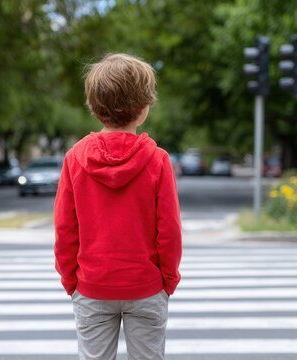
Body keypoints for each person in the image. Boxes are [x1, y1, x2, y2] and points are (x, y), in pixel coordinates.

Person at [54, 53, 182, 360]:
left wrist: (71, 280)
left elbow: (65, 228)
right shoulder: (158, 160)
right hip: (145, 286)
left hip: (93, 285)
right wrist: (167, 280)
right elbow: (169, 229)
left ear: (95, 107)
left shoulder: (75, 159)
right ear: (143, 109)